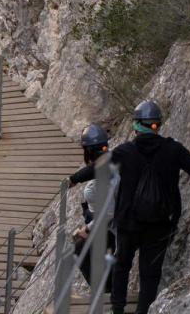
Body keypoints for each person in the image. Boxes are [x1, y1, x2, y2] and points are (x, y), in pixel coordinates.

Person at [69, 100, 190, 314]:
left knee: (122, 266)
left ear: (135, 125)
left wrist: (73, 179)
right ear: (158, 124)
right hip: (161, 223)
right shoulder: (174, 149)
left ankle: (118, 310)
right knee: (150, 273)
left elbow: (96, 169)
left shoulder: (125, 152)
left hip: (129, 223)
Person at [72, 124, 116, 293]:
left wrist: (88, 229)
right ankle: (106, 291)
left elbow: (110, 212)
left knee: (80, 249)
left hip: (111, 227)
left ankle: (105, 292)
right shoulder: (111, 162)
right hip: (110, 225)